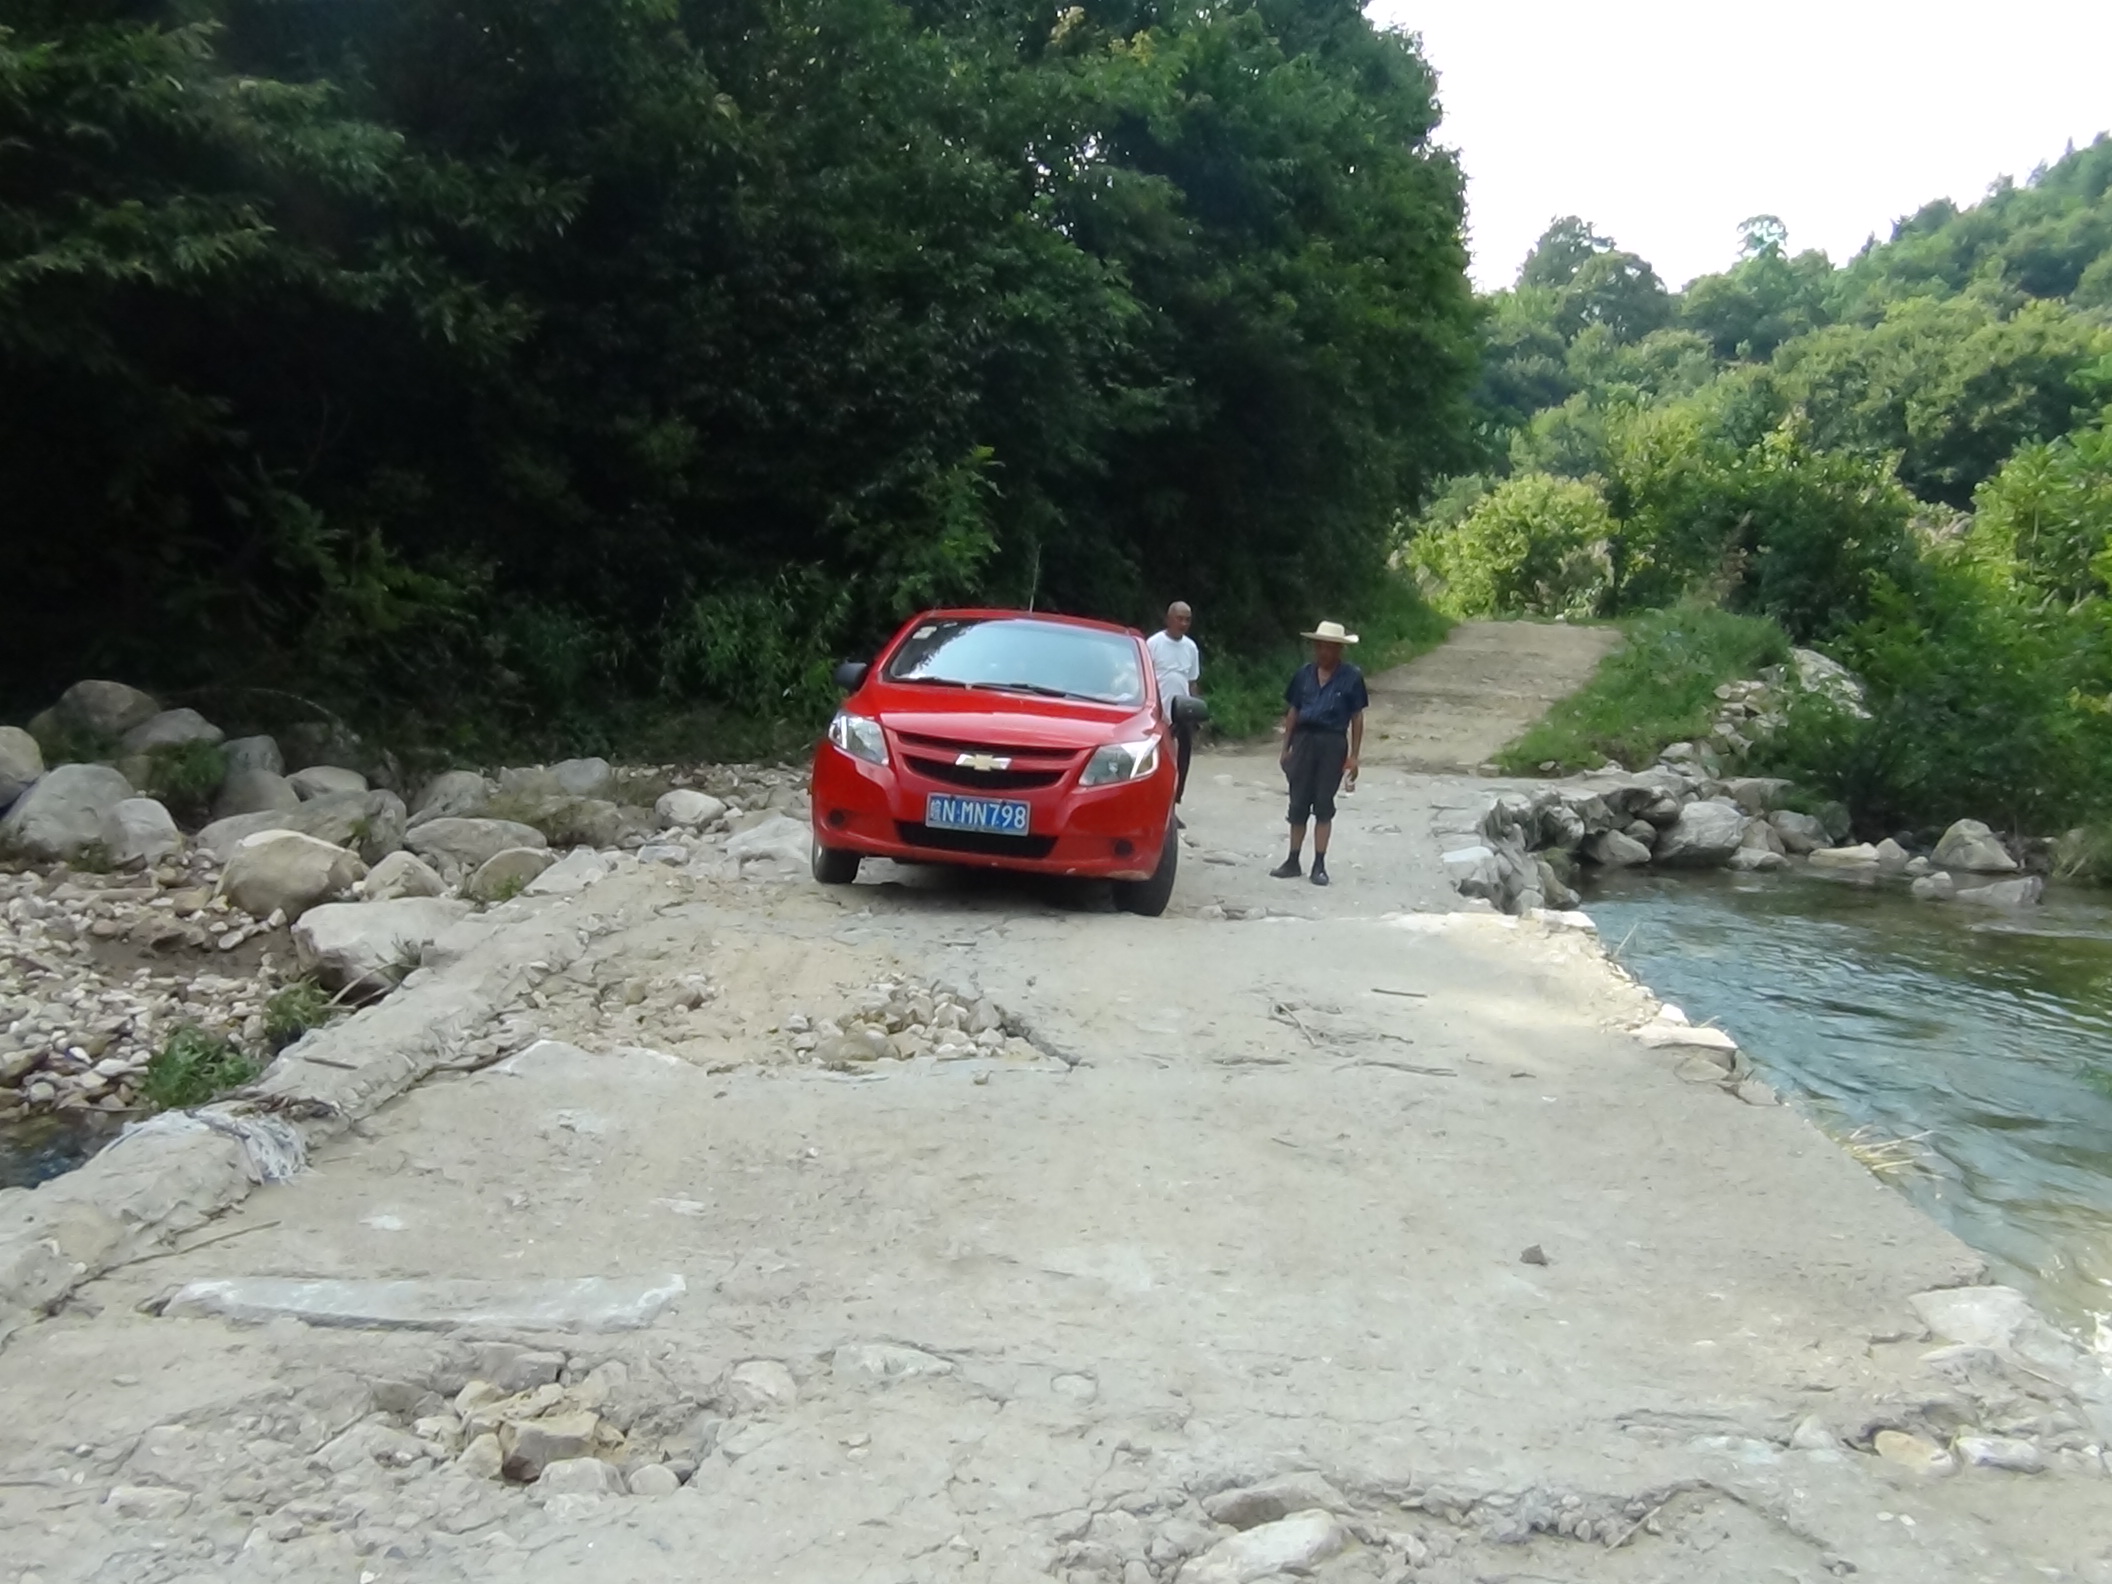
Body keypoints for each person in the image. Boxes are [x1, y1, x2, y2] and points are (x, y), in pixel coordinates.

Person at [1272, 620, 1368, 887]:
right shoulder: (1303, 674)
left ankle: (1319, 863)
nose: (1324, 652)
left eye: (1329, 647)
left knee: (1324, 803)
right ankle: (1292, 860)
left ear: (1339, 650)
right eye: (1320, 647)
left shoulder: (1351, 677)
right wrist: (1286, 747)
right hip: (1304, 739)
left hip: (1332, 741)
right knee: (1298, 801)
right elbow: (1293, 711)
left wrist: (1354, 756)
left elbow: (1357, 717)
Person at [1145, 601, 1202, 803]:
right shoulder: (1154, 643)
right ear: (1169, 619)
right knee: (1157, 759)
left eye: (1187, 620)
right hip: (1158, 711)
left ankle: (1174, 802)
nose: (1184, 623)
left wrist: (1196, 710)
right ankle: (1154, 800)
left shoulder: (1190, 647)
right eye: (1180, 618)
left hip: (1183, 711)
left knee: (1182, 760)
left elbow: (1192, 681)